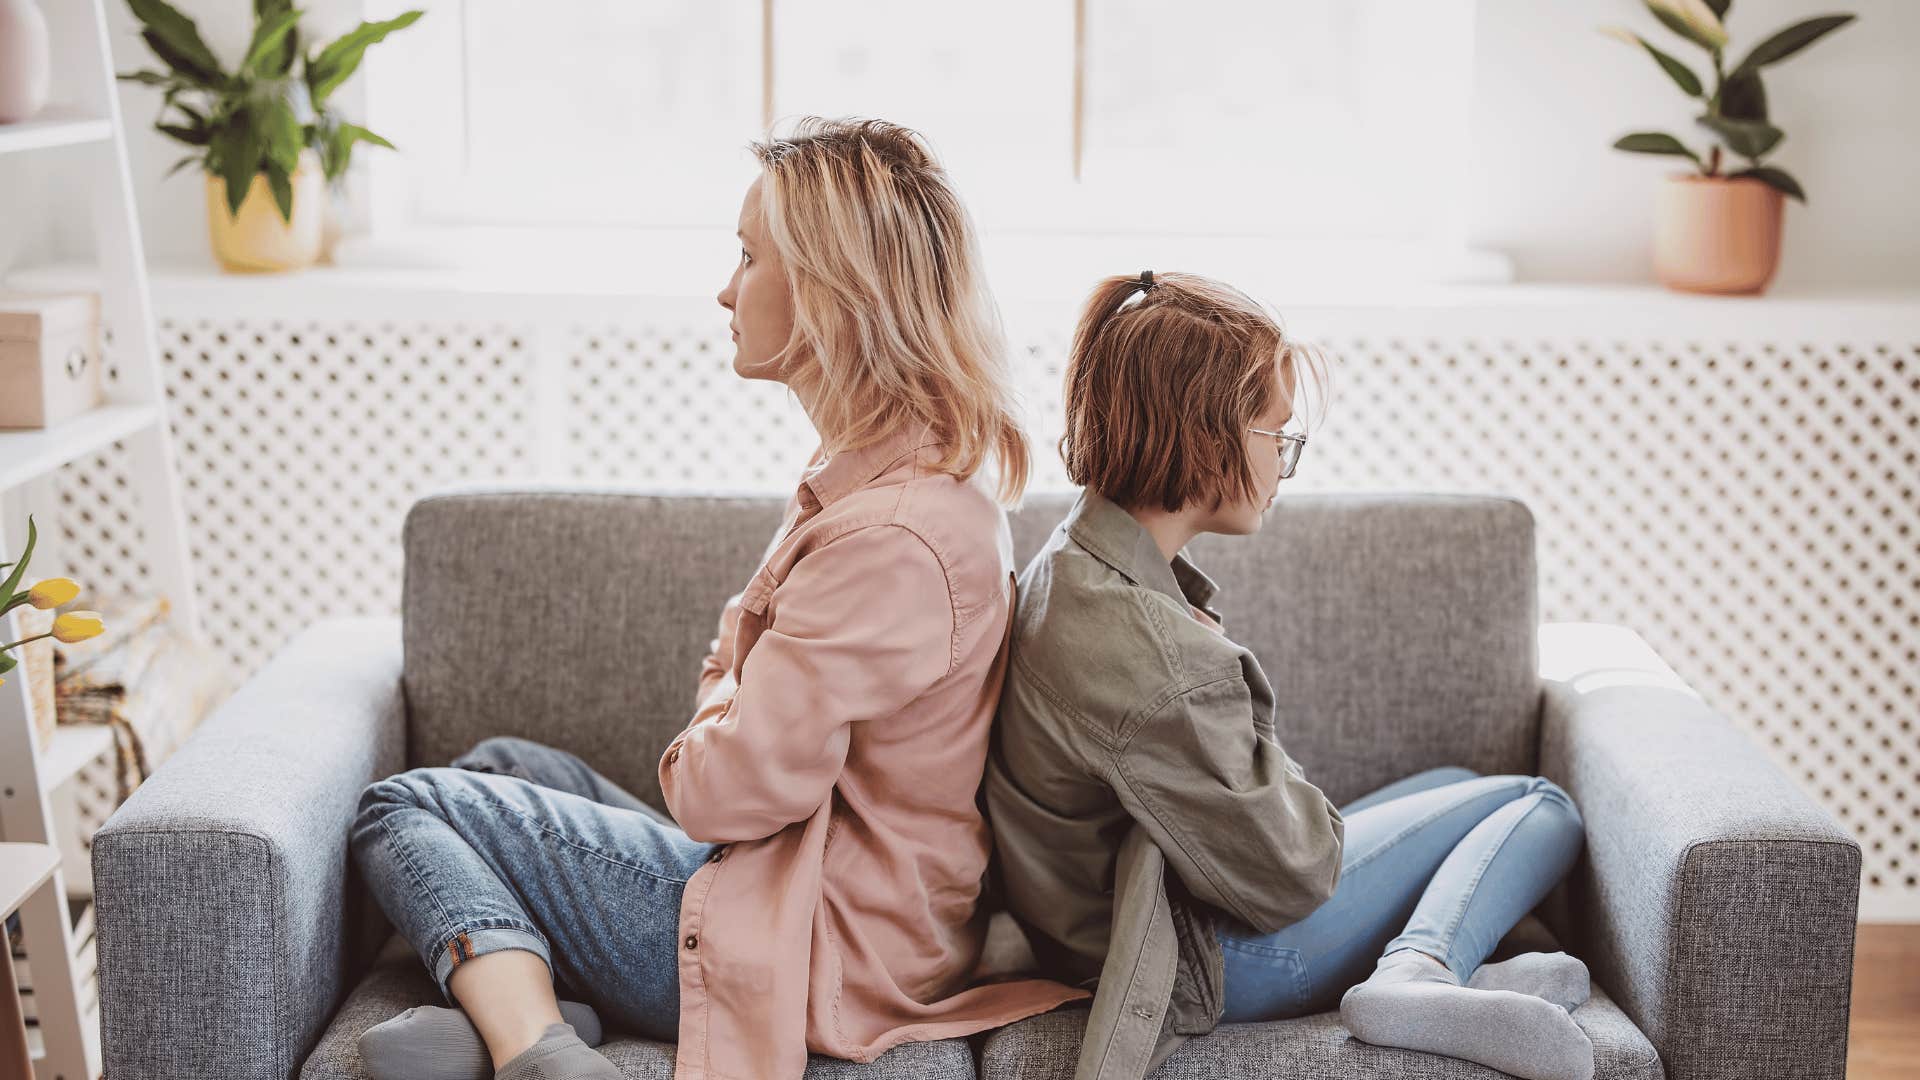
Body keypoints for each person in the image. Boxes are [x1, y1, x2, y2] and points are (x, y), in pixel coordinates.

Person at [347, 117, 1090, 1080]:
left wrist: (725, 688)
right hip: (803, 885)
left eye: (748, 258)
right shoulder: (885, 483)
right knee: (502, 763)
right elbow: (750, 708)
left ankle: (536, 1044)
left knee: (401, 805)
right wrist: (736, 680)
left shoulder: (892, 539)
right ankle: (529, 984)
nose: (725, 289)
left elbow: (721, 793)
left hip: (812, 945)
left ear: (832, 293)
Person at [982, 270, 1595, 1080]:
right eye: (1277, 434)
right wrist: (1228, 689)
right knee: (1537, 803)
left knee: (1454, 780)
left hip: (1138, 922)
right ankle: (1418, 977)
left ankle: (1461, 970)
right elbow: (1297, 872)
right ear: (1205, 435)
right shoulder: (1158, 661)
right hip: (1218, 963)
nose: (1286, 461)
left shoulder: (1074, 566)